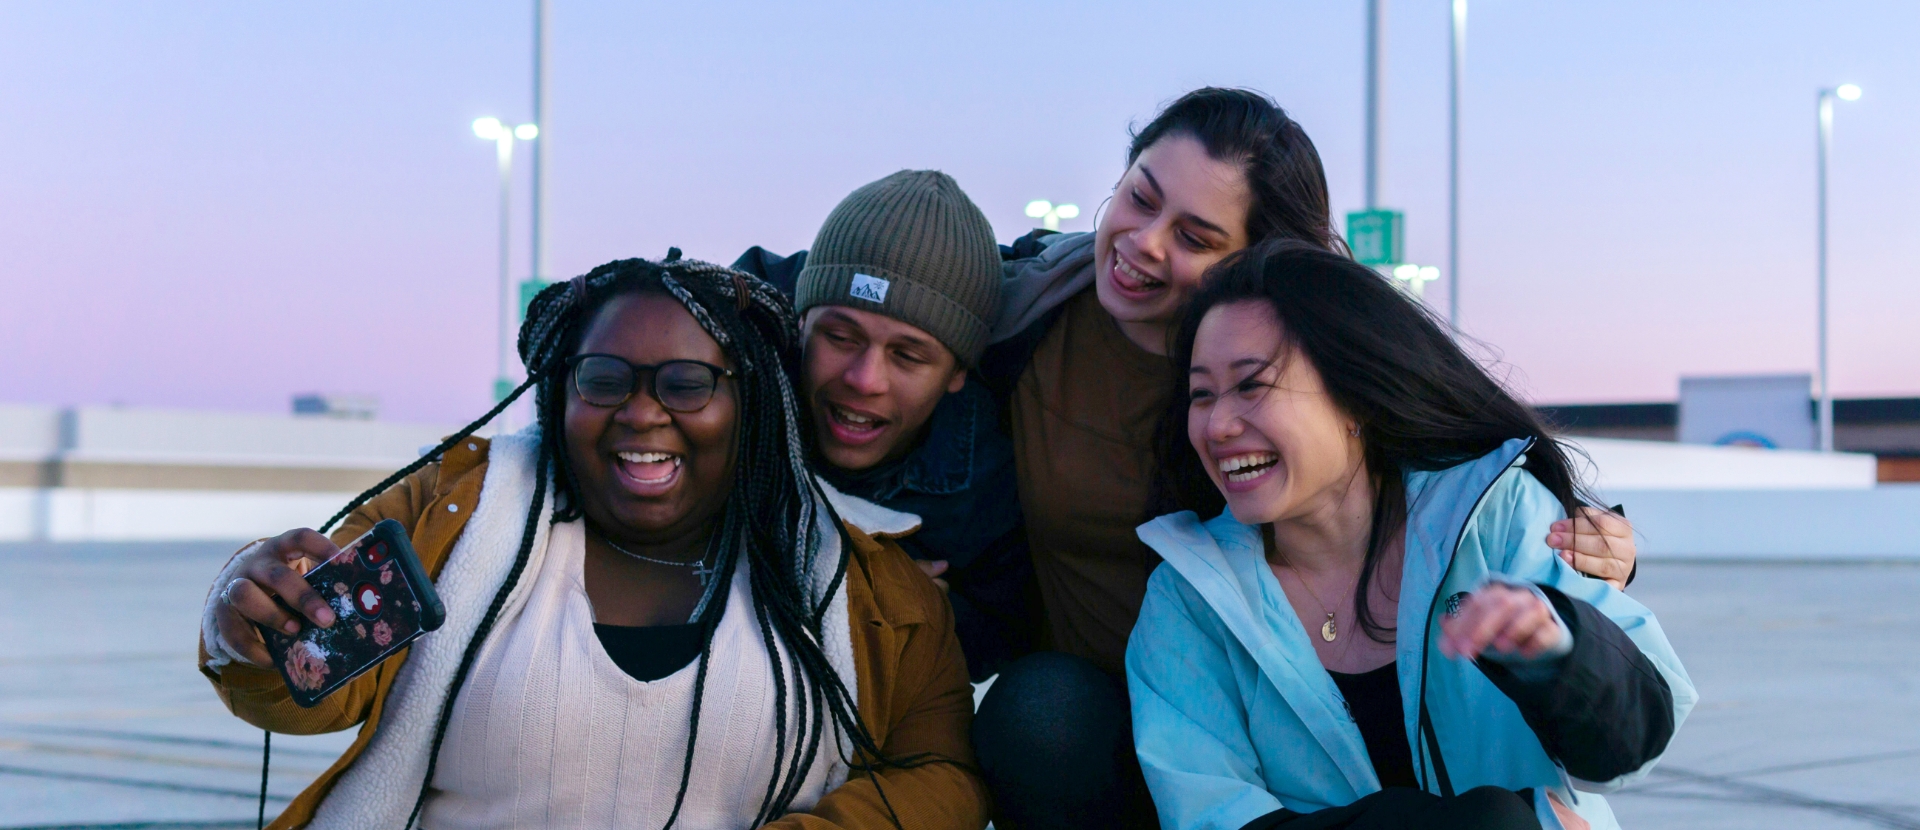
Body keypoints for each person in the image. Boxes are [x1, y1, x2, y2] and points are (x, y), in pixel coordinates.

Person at [968, 88, 1642, 830]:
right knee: (1039, 711)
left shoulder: (1313, 367)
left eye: (1195, 237)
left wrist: (1577, 552)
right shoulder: (1025, 314)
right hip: (1112, 727)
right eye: (1140, 198)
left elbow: (1460, 471)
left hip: (1292, 732)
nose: (1145, 242)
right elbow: (883, 316)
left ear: (1265, 261)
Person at [197, 255, 988, 830]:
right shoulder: (456, 513)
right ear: (559, 391)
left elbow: (942, 778)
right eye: (605, 379)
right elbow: (307, 692)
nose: (642, 414)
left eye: (686, 383)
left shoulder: (870, 580)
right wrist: (246, 626)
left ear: (753, 405)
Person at [1126, 241, 1694, 830]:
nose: (1218, 425)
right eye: (1201, 394)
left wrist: (1562, 654)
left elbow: (1640, 739)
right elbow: (1211, 817)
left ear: (1353, 398)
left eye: (1251, 385)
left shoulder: (1491, 516)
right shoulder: (1189, 597)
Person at [731, 170, 1033, 682]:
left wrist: (929, 615)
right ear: (800, 322)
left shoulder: (988, 476)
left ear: (958, 372)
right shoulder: (728, 387)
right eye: (841, 337)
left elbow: (1009, 635)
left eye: (908, 356)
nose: (864, 381)